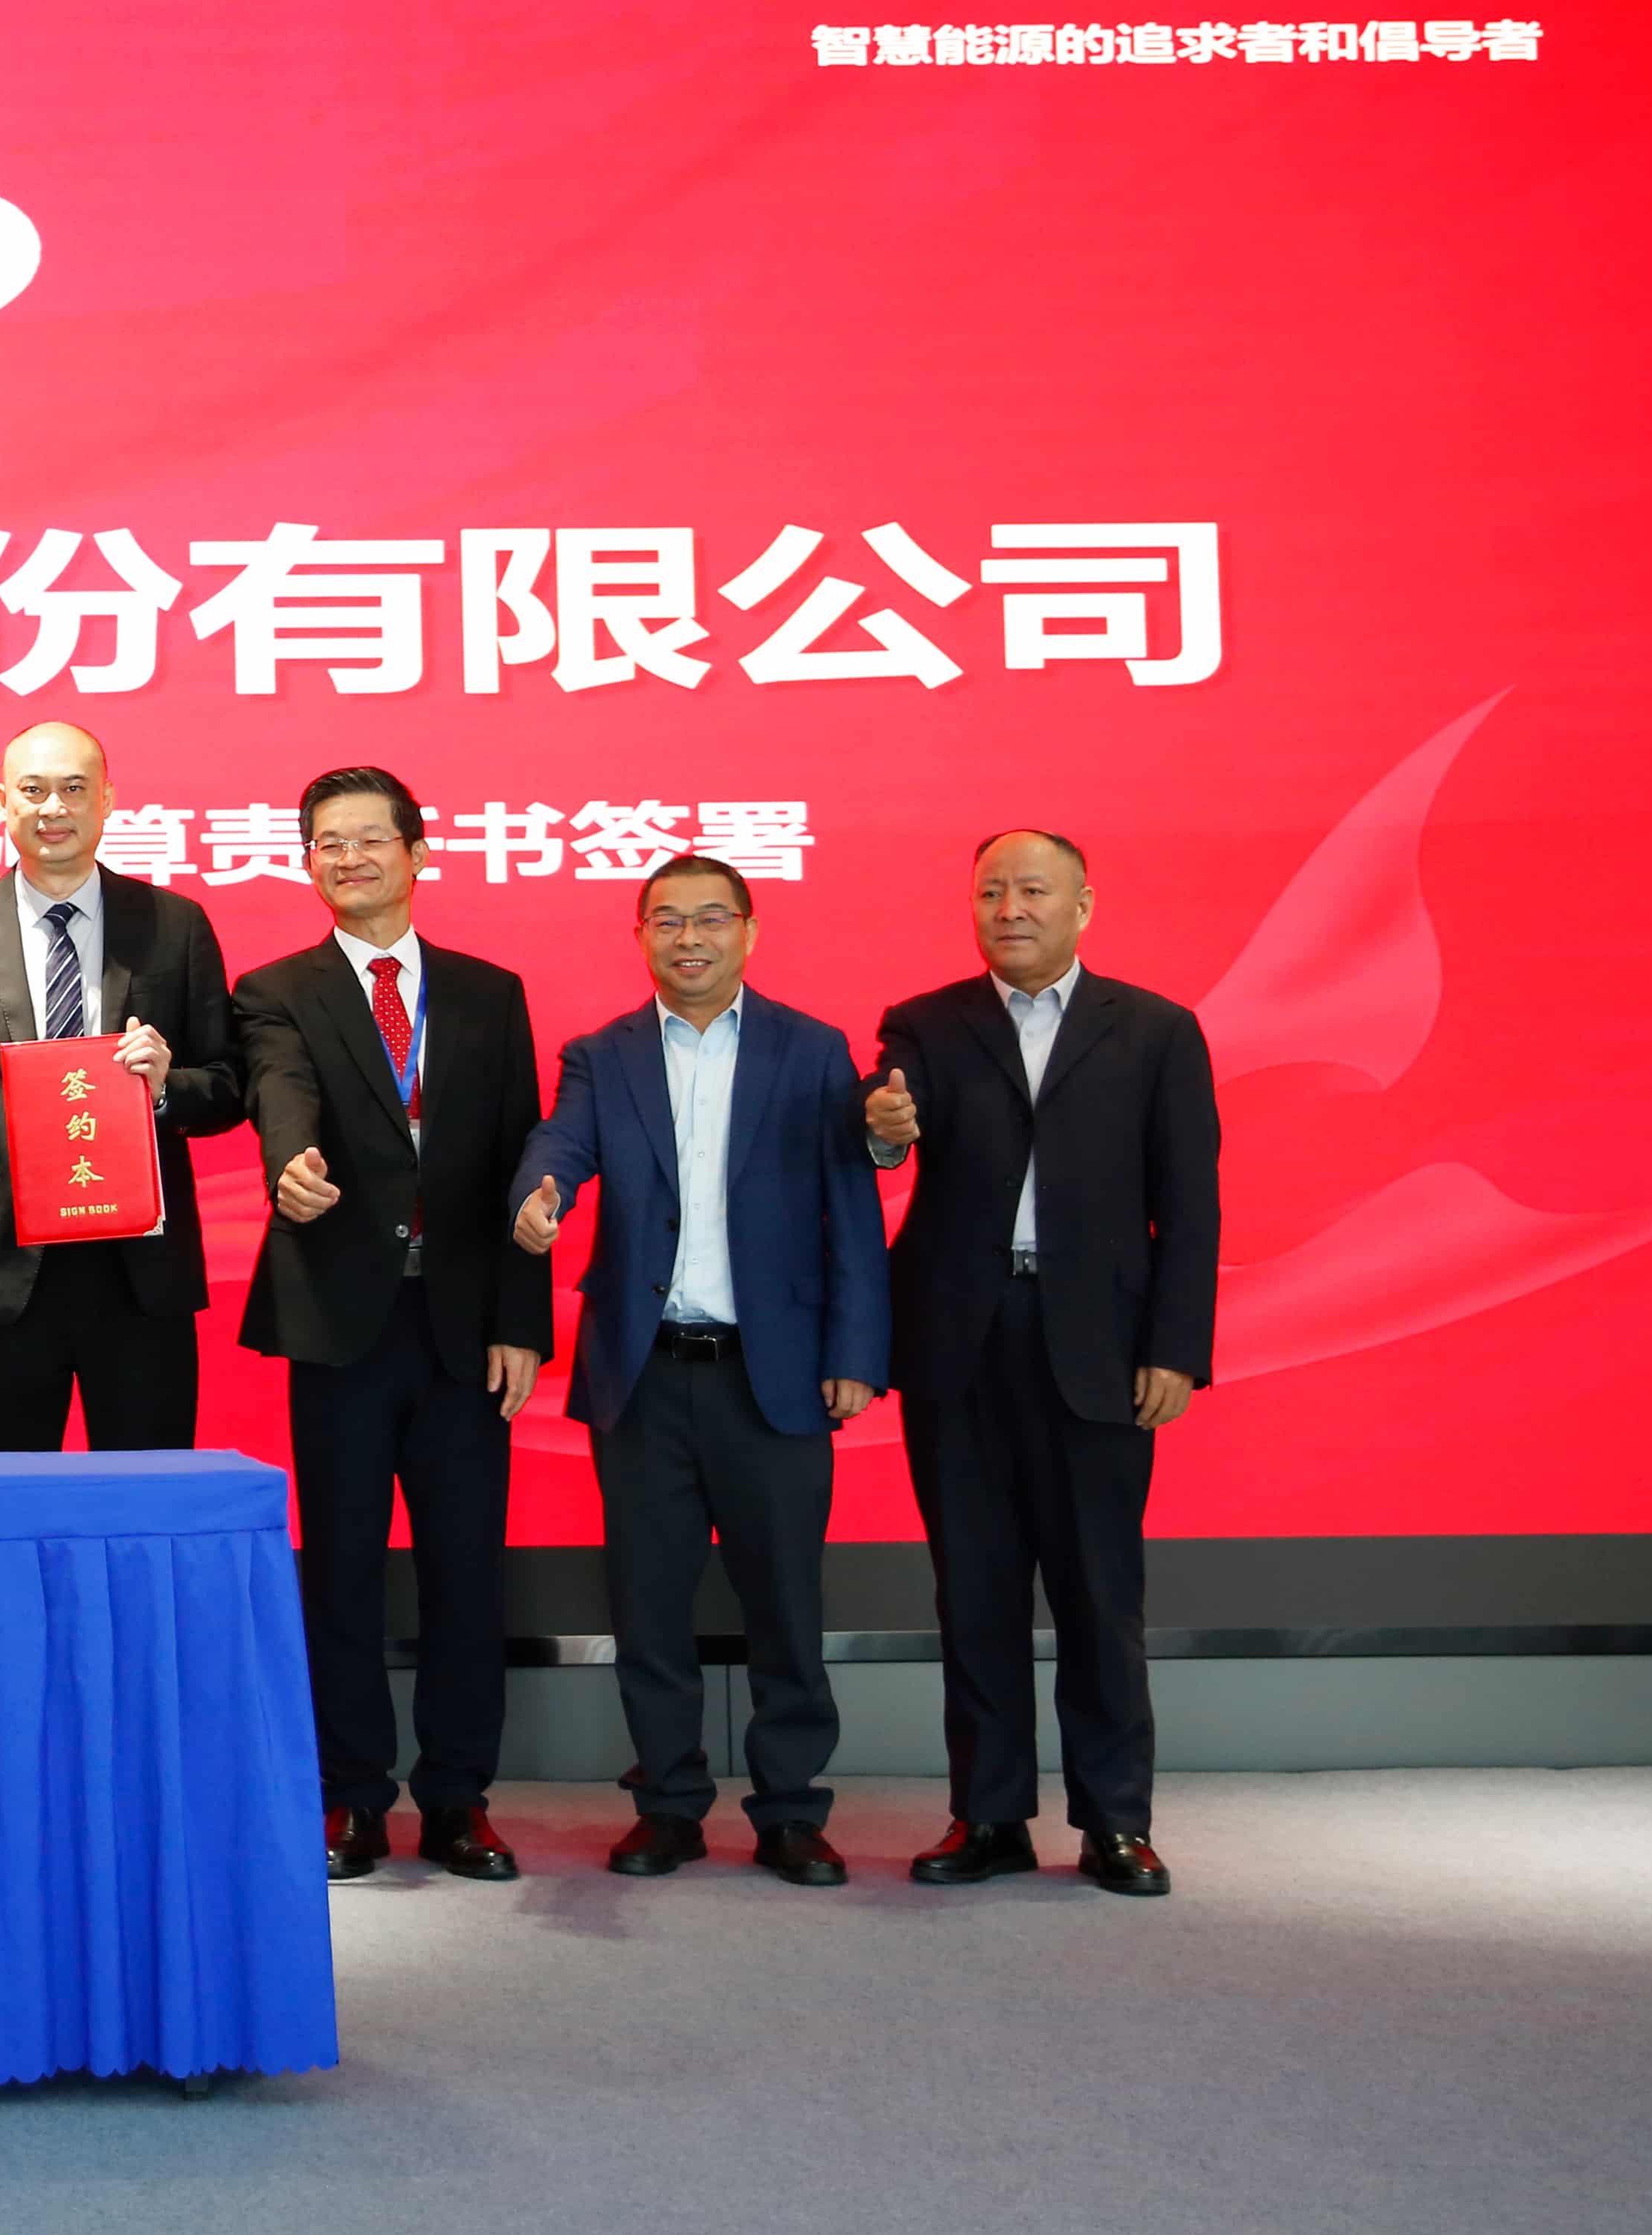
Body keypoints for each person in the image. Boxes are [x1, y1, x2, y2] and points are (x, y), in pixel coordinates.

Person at [512, 853, 886, 1887]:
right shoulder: (603, 1055)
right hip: (644, 1375)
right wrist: (540, 1194)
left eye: (712, 918)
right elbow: (559, 1145)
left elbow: (850, 1209)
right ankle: (669, 1805)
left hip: (777, 1374)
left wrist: (857, 1352)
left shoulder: (813, 1050)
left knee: (786, 1605)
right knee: (649, 1607)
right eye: (668, 920)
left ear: (749, 932)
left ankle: (791, 1810)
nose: (690, 938)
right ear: (640, 936)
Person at [867, 829, 1221, 1898]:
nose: (1010, 909)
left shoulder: (1156, 1030)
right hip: (960, 1346)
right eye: (991, 892)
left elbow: (1190, 1207)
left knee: (1099, 1593)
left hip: (1099, 1348)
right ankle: (988, 1816)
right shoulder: (925, 1023)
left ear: (1083, 905)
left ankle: (1116, 1821)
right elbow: (884, 1132)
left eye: (1032, 890)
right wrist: (882, 1129)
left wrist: (1176, 1349)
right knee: (974, 1592)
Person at [233, 767, 553, 1884]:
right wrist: (291, 1166)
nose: (351, 858)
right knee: (343, 1572)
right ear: (307, 862)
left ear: (418, 854)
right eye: (329, 842)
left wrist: (523, 1319)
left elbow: (521, 1158)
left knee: (468, 1569)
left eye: (372, 839)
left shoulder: (488, 993)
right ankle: (352, 1794)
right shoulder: (278, 990)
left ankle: (461, 1797)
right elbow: (281, 1091)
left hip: (464, 1328)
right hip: (343, 1324)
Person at [0, 719, 237, 1451]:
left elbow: (229, 1084)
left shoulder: (175, 926)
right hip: (1, 1270)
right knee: (7, 1498)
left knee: (147, 1497)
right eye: (34, 789)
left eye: (75, 788)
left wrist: (166, 1087)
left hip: (140, 1275)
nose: (55, 808)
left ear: (107, 799)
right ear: (2, 802)